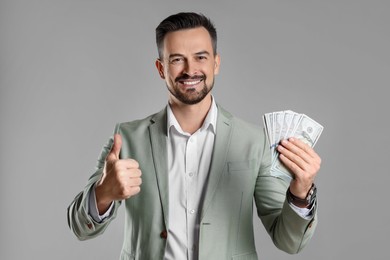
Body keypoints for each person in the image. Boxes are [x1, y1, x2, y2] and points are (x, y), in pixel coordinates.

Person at [67, 12, 321, 260]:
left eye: (200, 57)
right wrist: (103, 193)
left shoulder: (253, 141)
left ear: (216, 63)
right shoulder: (127, 138)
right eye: (177, 59)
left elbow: (289, 241)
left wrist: (301, 193)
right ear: (160, 68)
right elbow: (80, 226)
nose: (190, 70)